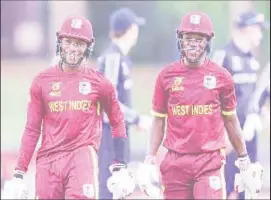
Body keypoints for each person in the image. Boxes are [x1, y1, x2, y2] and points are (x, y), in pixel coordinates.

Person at [3, 16, 132, 199]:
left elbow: (117, 121)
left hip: (81, 158)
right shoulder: (42, 81)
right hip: (48, 162)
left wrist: (120, 165)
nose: (73, 48)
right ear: (60, 42)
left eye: (79, 43)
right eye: (68, 41)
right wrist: (19, 173)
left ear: (89, 46)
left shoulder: (100, 83)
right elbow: (32, 129)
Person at [137, 11, 263, 199]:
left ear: (208, 42)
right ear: (180, 39)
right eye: (189, 38)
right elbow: (158, 120)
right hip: (175, 162)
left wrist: (243, 157)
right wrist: (149, 158)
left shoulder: (221, 76)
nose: (193, 44)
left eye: (199, 39)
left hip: (209, 162)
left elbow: (230, 119)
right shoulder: (166, 76)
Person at [211, 11, 269, 199]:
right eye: (259, 29)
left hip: (248, 135)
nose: (261, 34)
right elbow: (209, 94)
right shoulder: (223, 55)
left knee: (247, 184)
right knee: (229, 188)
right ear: (249, 28)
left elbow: (252, 96)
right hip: (229, 136)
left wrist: (261, 112)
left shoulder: (251, 59)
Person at [96, 7, 152, 200]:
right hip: (111, 138)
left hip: (119, 136)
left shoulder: (123, 58)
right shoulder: (113, 57)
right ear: (129, 29)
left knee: (120, 190)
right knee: (111, 189)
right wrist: (136, 119)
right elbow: (108, 105)